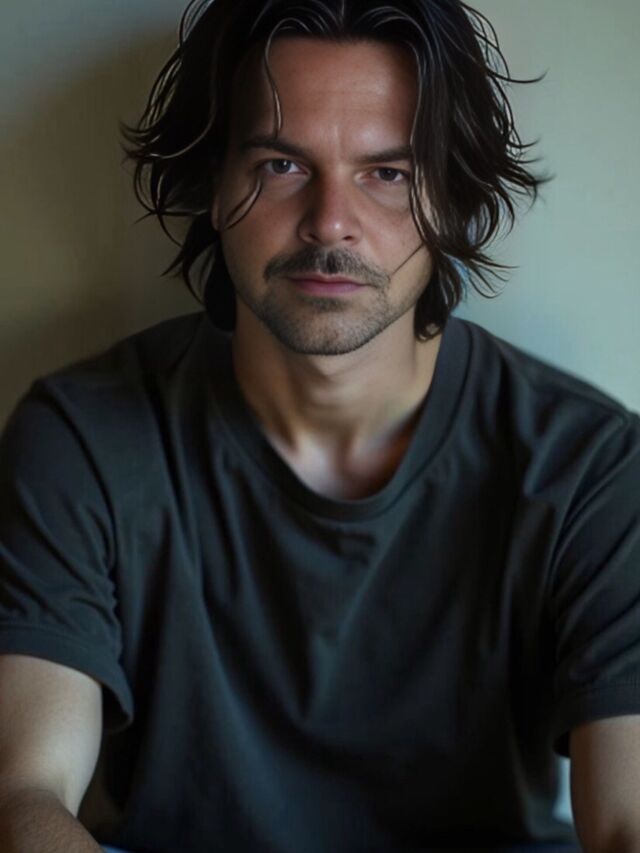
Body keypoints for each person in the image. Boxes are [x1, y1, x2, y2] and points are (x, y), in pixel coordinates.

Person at [0, 0, 638, 851]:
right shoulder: (81, 437)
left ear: (452, 198)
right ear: (214, 184)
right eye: (281, 164)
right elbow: (25, 794)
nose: (331, 220)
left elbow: (628, 821)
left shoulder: (592, 466)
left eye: (389, 173)